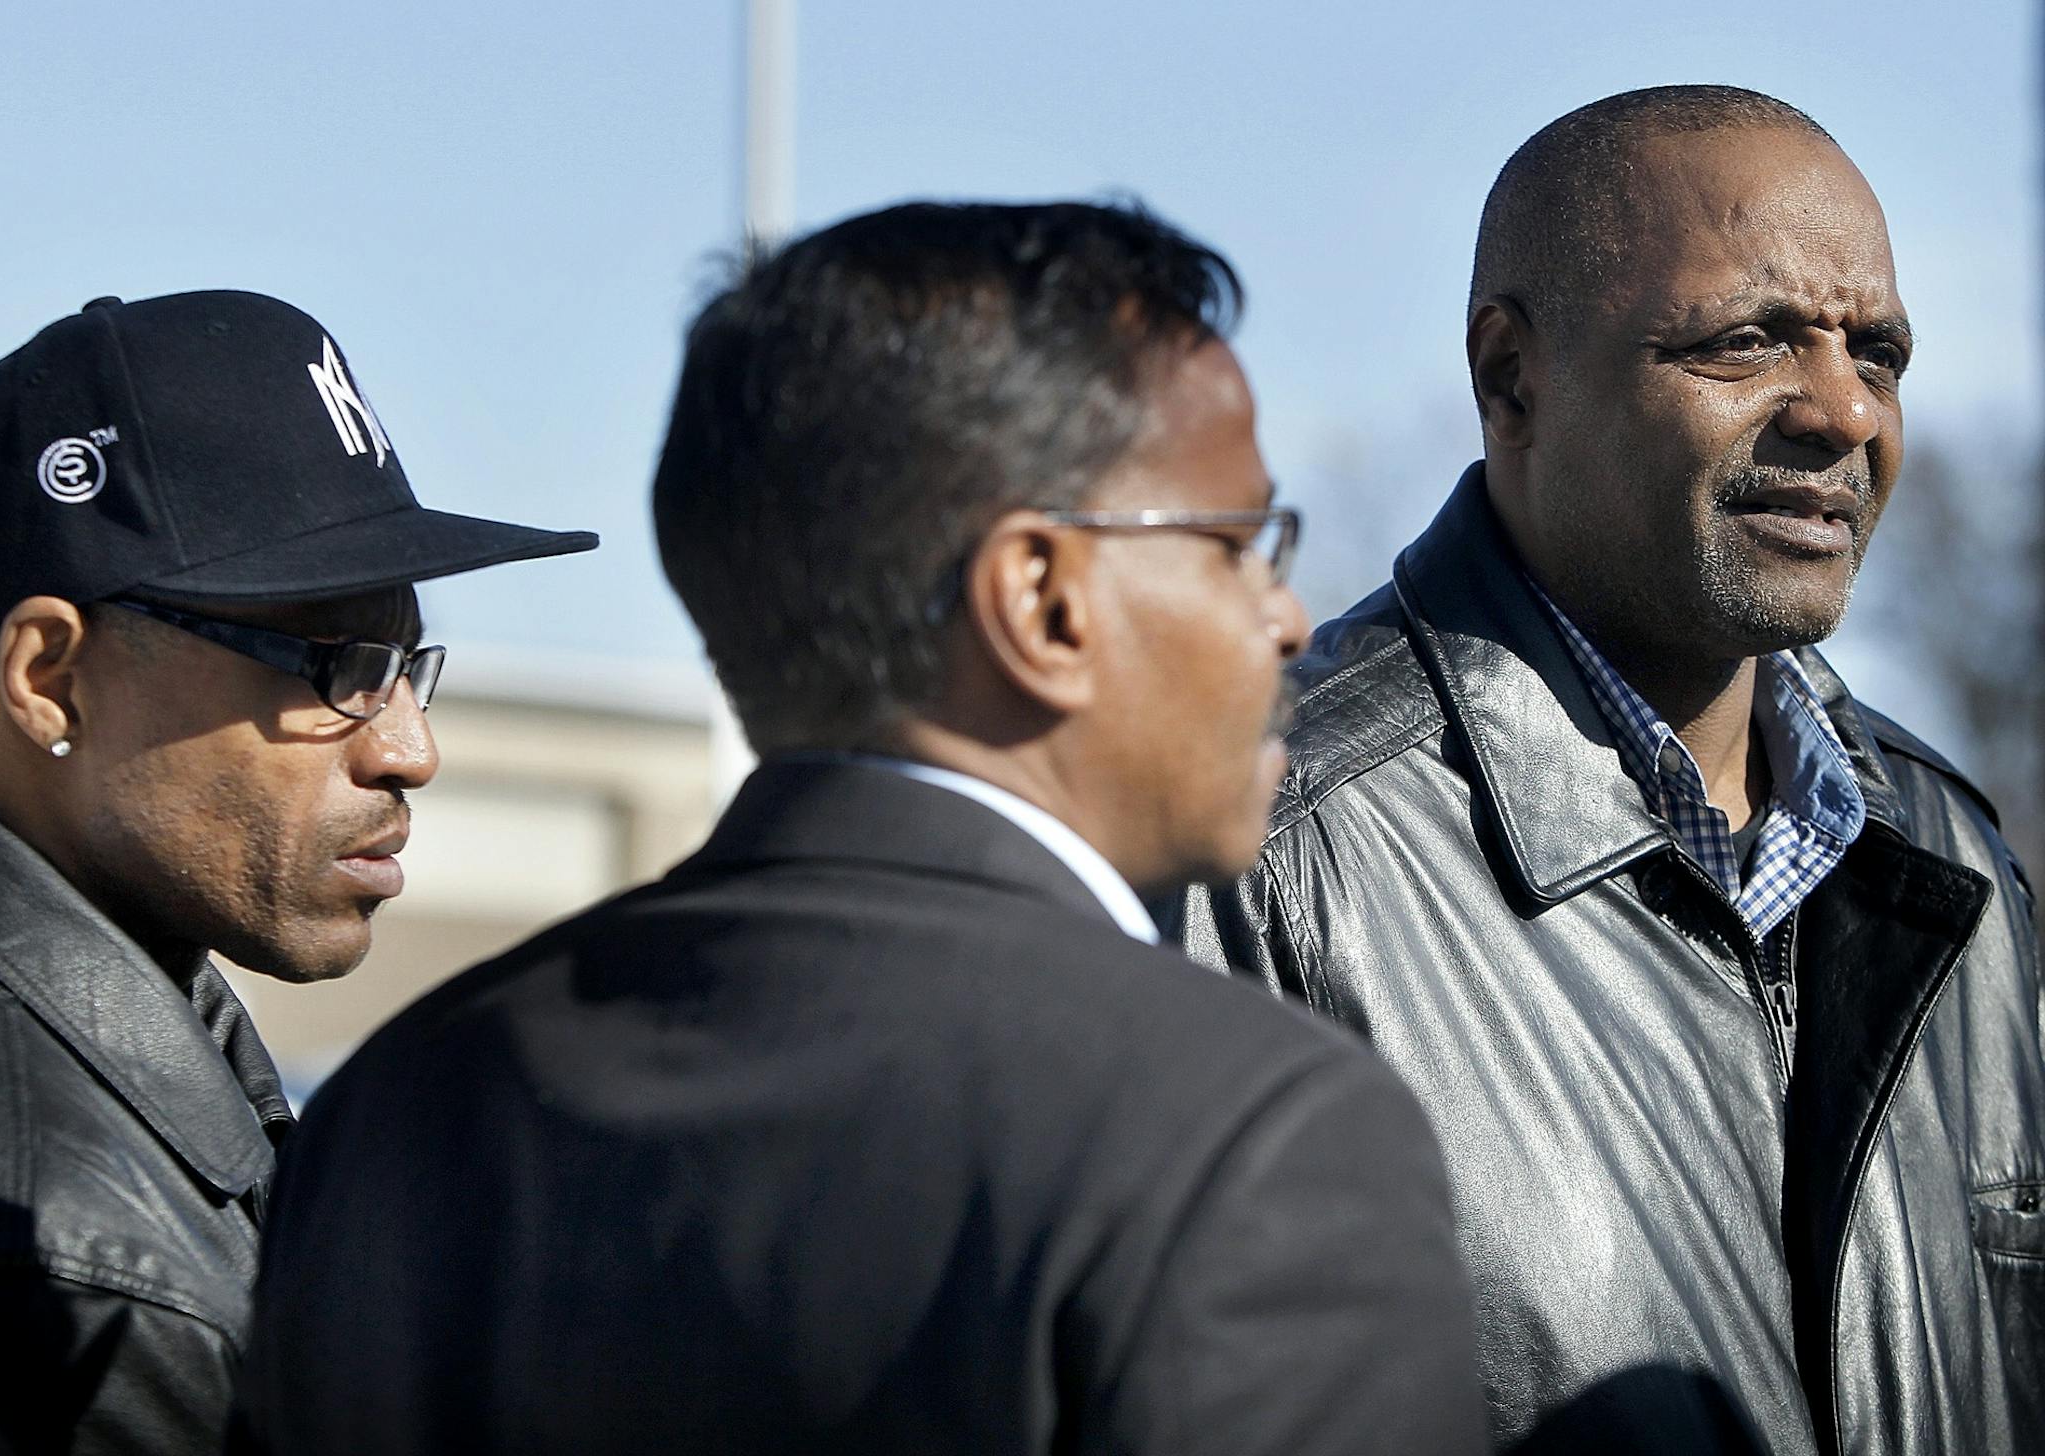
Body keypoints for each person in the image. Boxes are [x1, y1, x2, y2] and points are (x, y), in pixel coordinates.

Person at [240, 201, 1488, 1455]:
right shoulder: (1256, 1141)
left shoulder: (397, 1109)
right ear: (1043, 602)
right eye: (1241, 546)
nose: (1283, 619)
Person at [1178, 85, 2045, 1454]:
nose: (1841, 410)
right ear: (1510, 376)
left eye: (1877, 352)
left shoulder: (1956, 864)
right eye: (1748, 341)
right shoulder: (1264, 848)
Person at [0, 290, 598, 1454]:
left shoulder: (94, 1078)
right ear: (52, 678)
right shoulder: (42, 1257)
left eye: (410, 664)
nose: (409, 748)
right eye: (334, 664)